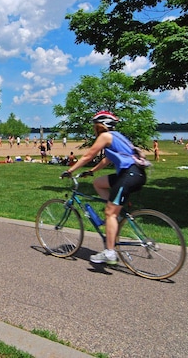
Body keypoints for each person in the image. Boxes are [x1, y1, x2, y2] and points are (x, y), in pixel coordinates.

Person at [62, 111, 147, 265]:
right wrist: (92, 172)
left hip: (129, 175)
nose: (94, 128)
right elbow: (108, 159)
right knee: (98, 183)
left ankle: (110, 252)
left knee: (109, 213)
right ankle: (116, 214)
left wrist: (70, 171)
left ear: (101, 125)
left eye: (95, 125)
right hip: (135, 174)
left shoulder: (105, 136)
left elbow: (88, 155)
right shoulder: (117, 136)